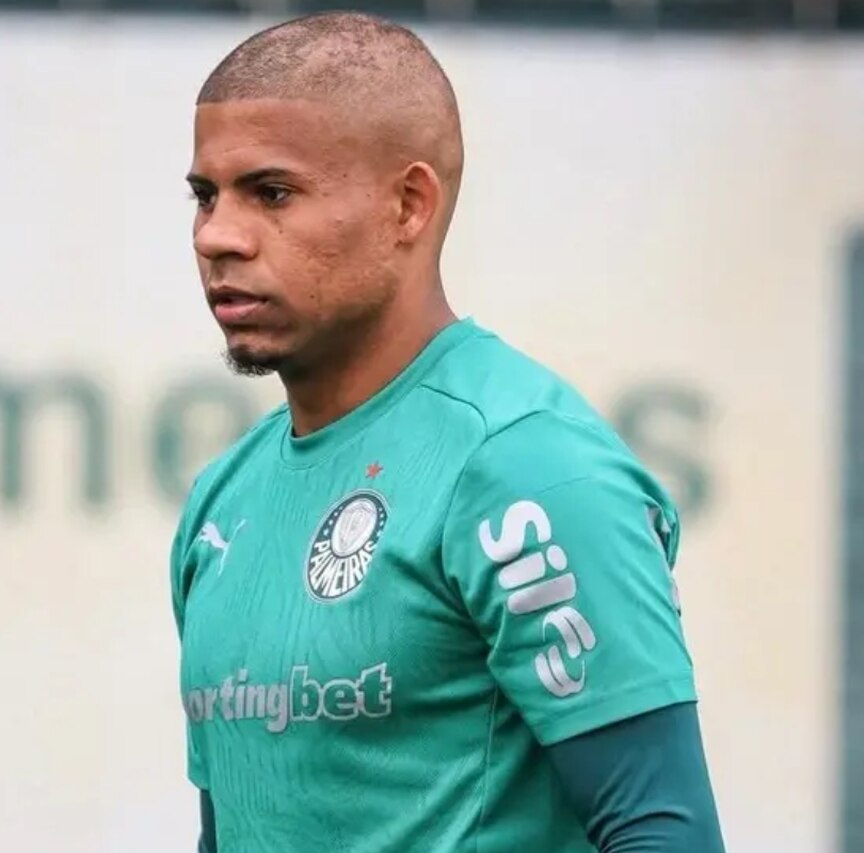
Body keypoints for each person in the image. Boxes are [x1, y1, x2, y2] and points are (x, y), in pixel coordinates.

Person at [168, 10, 726, 853]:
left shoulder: (525, 464)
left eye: (271, 193)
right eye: (205, 196)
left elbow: (662, 831)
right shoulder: (221, 503)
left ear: (408, 204)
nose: (218, 236)